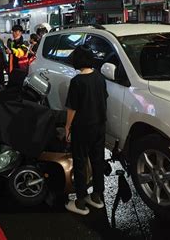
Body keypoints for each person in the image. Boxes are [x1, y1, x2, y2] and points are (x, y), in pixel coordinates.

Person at [64, 44, 108, 215]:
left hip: (82, 128)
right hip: (99, 125)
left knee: (80, 162)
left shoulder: (77, 81)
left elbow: (72, 109)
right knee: (97, 161)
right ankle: (97, 197)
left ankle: (81, 201)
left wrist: (67, 127)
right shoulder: (100, 77)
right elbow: (104, 99)